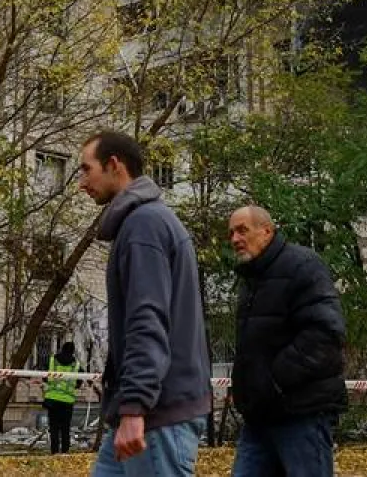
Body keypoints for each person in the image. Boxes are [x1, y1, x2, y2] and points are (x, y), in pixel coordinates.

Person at [78, 130, 211, 477]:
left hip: (156, 414)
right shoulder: (144, 222)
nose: (81, 182)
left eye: (85, 169)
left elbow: (146, 319)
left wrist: (135, 407)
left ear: (114, 165)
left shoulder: (144, 225)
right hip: (145, 409)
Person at [228, 206, 348, 477]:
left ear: (267, 231)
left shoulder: (303, 266)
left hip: (302, 414)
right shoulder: (251, 280)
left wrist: (272, 381)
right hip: (260, 417)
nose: (235, 239)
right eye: (231, 233)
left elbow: (325, 335)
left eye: (242, 230)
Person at [43, 341, 81, 454]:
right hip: (67, 402)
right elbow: (79, 383)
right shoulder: (76, 365)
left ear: (62, 349)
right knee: (65, 429)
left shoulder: (51, 361)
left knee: (53, 428)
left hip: (52, 400)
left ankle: (54, 452)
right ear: (73, 351)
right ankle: (65, 452)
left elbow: (44, 377)